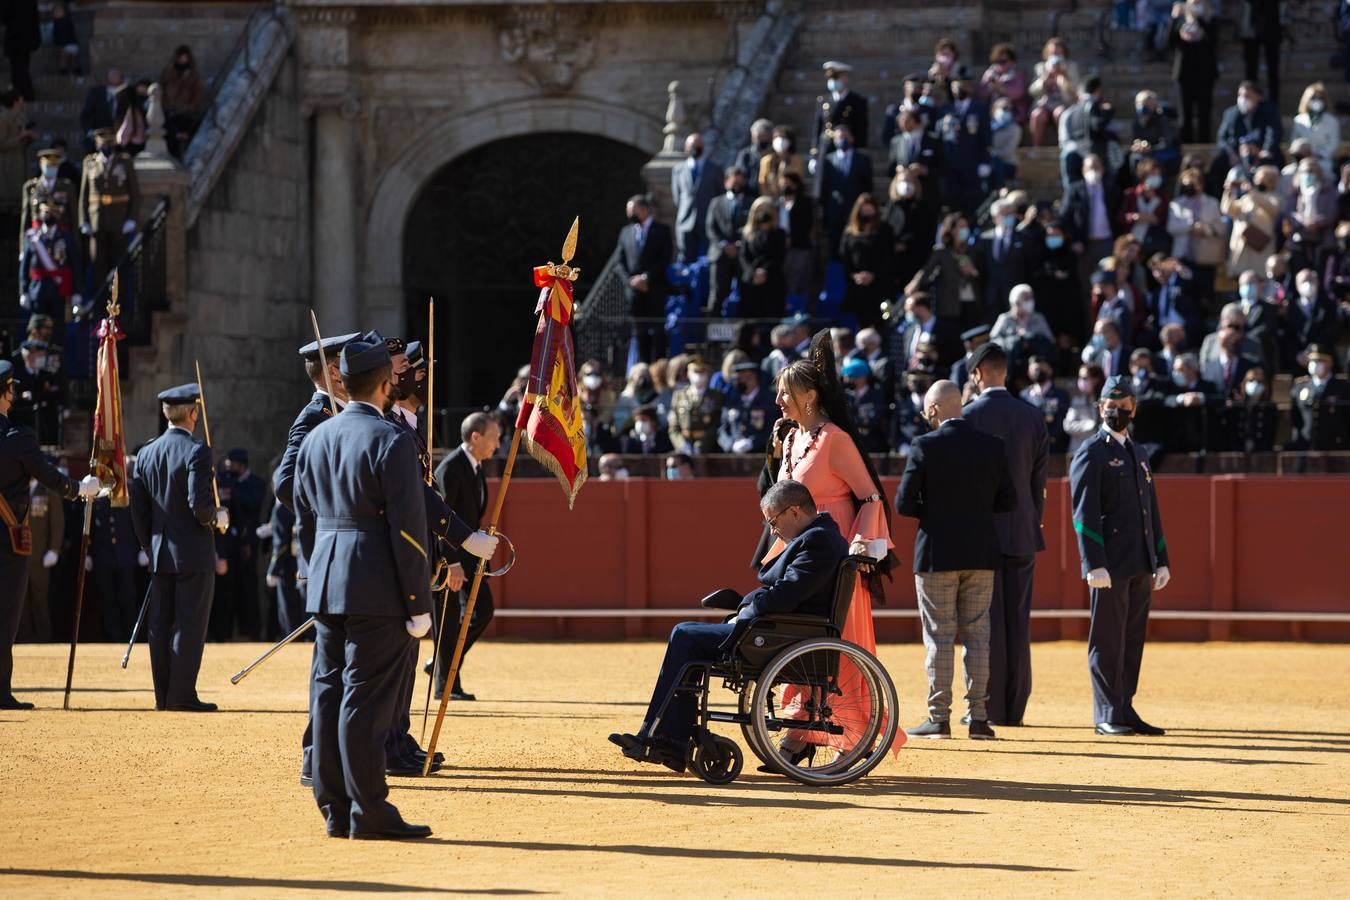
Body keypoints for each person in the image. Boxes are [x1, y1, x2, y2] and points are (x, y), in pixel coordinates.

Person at [292, 337, 436, 840]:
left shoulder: (317, 437)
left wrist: (313, 572)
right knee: (366, 699)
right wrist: (418, 603)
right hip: (376, 584)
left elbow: (303, 515)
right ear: (384, 383)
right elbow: (408, 531)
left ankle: (334, 805)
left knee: (328, 692)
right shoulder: (390, 440)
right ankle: (368, 808)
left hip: (327, 580)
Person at [609, 479, 848, 770]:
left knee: (685, 635)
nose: (772, 529)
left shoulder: (818, 539)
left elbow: (788, 594)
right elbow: (788, 591)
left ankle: (667, 740)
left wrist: (745, 609)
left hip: (783, 634)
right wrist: (744, 604)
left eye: (773, 520)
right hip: (779, 629)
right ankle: (668, 739)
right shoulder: (818, 536)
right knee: (687, 636)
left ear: (794, 512)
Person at [760, 331, 896, 757]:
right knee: (800, 640)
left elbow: (870, 495)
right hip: (798, 553)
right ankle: (802, 731)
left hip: (834, 551)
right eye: (779, 392)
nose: (779, 399)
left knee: (841, 638)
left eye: (787, 392)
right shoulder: (794, 438)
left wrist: (860, 544)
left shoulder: (835, 439)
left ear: (812, 395)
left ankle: (849, 735)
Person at [898, 379, 1016, 740]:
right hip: (981, 552)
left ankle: (939, 718)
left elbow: (904, 503)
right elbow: (1008, 501)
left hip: (937, 554)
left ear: (933, 409)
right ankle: (979, 718)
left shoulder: (925, 445)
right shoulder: (992, 446)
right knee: (979, 636)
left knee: (939, 637)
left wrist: (935, 510)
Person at [1070, 375, 1170, 736]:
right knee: (1108, 639)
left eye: (1123, 408)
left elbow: (1150, 511)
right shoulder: (1091, 452)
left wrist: (1161, 559)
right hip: (1109, 563)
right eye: (1110, 408)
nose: (1117, 413)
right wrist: (1092, 562)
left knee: (1131, 640)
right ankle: (1106, 713)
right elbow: (1084, 514)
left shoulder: (1139, 453)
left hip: (1140, 561)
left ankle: (1125, 707)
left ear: (1134, 409)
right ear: (1099, 409)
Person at [962, 342, 1049, 727]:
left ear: (977, 374)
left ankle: (990, 707)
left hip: (984, 534)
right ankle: (1015, 708)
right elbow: (1037, 482)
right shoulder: (1032, 416)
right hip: (1024, 531)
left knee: (986, 623)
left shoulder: (968, 416)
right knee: (1018, 620)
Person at [2, 363, 98, 708]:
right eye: (10, 390)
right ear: (5, 394)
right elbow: (48, 477)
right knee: (7, 615)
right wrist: (79, 489)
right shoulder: (17, 438)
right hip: (7, 540)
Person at [129, 384, 227, 712]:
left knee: (160, 625)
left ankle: (163, 695)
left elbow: (139, 512)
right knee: (189, 623)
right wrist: (218, 518)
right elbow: (200, 508)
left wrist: (150, 544)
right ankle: (182, 695)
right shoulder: (198, 450)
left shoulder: (145, 453)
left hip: (159, 552)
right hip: (193, 552)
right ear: (193, 414)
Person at [430, 411, 502, 701]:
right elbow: (441, 519)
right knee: (448, 619)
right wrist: (452, 562)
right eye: (494, 438)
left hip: (471, 557)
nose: (497, 444)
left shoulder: (474, 466)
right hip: (452, 559)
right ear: (476, 437)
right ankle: (445, 680)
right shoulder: (451, 468)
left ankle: (444, 665)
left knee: (481, 610)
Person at [79, 128, 140, 293]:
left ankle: (118, 302)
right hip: (96, 219)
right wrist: (83, 220)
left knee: (118, 263)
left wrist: (132, 218)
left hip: (118, 220)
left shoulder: (125, 162)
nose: (105, 145)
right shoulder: (89, 162)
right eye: (102, 142)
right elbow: (84, 194)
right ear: (97, 144)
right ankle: (99, 304)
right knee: (97, 263)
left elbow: (134, 193)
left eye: (109, 142)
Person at [616, 194, 672, 362]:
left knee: (658, 333)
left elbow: (665, 259)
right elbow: (620, 262)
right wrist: (631, 281)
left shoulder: (662, 231)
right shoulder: (626, 232)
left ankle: (659, 369)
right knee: (639, 334)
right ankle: (643, 368)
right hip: (634, 293)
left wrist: (646, 278)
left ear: (645, 209)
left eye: (633, 211)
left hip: (654, 289)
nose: (630, 215)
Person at [935, 66, 990, 217]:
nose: (961, 89)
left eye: (964, 85)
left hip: (971, 162)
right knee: (953, 201)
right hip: (950, 163)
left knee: (972, 201)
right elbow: (938, 134)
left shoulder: (979, 108)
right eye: (957, 85)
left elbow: (985, 136)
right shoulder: (946, 109)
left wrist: (984, 161)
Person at [974, 198, 1038, 324]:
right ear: (995, 217)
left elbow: (1031, 267)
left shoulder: (1024, 238)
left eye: (1011, 213)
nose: (1009, 217)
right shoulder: (984, 239)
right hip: (992, 297)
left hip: (1017, 299)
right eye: (1005, 213)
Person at [816, 123, 873, 260]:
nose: (842, 140)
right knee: (834, 248)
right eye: (839, 137)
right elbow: (824, 186)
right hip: (835, 211)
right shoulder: (828, 160)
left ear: (852, 138)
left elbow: (868, 186)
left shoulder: (863, 159)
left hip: (855, 209)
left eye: (845, 136)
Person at [838, 194, 893, 332]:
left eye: (870, 210)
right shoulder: (850, 232)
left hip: (879, 286)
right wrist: (854, 276)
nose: (867, 214)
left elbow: (888, 257)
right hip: (857, 286)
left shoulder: (884, 230)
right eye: (864, 210)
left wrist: (873, 275)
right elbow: (845, 257)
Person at [19, 476, 63, 641]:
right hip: (18, 557)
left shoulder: (47, 489)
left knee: (40, 602)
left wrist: (54, 549)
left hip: (40, 556)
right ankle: (24, 639)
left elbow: (57, 522)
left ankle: (43, 639)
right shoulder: (16, 488)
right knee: (21, 604)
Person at [1169, 0, 1218, 145]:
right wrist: (1174, 19)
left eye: (1200, 2)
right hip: (1184, 74)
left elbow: (1213, 41)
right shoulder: (1180, 21)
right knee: (1185, 115)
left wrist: (1201, 19)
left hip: (1205, 74)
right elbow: (1170, 43)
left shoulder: (1210, 20)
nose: (1197, 6)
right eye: (1194, 2)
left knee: (1204, 114)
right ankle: (1186, 144)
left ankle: (1204, 144)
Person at [706, 166, 752, 314]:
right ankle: (713, 332)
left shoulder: (751, 203)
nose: (737, 185)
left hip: (742, 256)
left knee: (746, 294)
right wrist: (724, 245)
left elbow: (752, 228)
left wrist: (739, 245)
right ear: (726, 182)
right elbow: (710, 228)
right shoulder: (716, 203)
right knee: (717, 293)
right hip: (720, 255)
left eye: (740, 182)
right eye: (734, 182)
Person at [1288, 345, 1350, 450]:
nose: (1315, 364)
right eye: (1312, 360)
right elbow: (1295, 418)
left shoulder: (1342, 388)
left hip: (1334, 445)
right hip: (1306, 445)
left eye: (1320, 361)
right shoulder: (1300, 386)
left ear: (1330, 363)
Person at [671, 133, 720, 263]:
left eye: (697, 145)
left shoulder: (715, 169)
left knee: (707, 261)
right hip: (685, 222)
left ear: (703, 147)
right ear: (686, 148)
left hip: (707, 222)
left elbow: (719, 195)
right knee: (685, 261)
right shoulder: (678, 169)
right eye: (691, 146)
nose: (694, 148)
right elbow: (677, 197)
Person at [737, 196, 786, 321]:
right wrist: (753, 273)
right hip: (751, 283)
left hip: (772, 282)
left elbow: (779, 256)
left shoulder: (779, 234)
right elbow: (744, 257)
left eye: (767, 209)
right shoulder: (746, 234)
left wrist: (765, 272)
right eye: (760, 209)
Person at [718, 362, 776, 454]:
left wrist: (753, 443)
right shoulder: (731, 401)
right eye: (738, 378)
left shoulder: (769, 400)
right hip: (733, 457)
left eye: (747, 378)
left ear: (755, 379)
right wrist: (730, 445)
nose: (741, 381)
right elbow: (722, 430)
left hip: (760, 454)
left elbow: (773, 429)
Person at [812, 60, 869, 152]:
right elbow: (818, 128)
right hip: (826, 149)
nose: (832, 81)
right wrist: (814, 152)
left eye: (836, 78)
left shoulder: (857, 101)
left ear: (845, 77)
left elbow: (861, 130)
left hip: (847, 149)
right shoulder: (823, 100)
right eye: (830, 78)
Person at [160, 45, 205, 157]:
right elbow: (162, 89)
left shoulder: (193, 75)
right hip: (170, 111)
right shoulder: (168, 73)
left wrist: (191, 106)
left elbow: (198, 92)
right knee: (171, 137)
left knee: (185, 137)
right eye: (181, 57)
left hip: (186, 112)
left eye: (185, 58)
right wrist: (165, 105)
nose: (183, 60)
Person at [1028, 47, 1077, 147]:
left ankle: (1064, 146)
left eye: (1059, 53)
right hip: (1044, 104)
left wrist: (1064, 77)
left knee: (1060, 113)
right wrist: (1044, 80)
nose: (1056, 57)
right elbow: (1032, 92)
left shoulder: (1071, 67)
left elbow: (1075, 93)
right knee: (1037, 115)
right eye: (1053, 53)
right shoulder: (1040, 68)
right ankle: (1035, 148)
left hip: (1063, 104)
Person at [1021, 356, 1070, 453]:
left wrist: (1049, 438)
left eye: (1042, 369)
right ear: (1029, 373)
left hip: (1054, 447)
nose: (1039, 372)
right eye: (1035, 369)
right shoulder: (1024, 395)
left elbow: (1062, 420)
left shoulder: (1060, 395)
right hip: (1031, 448)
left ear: (1050, 370)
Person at [1238, 0, 1282, 104]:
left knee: (1273, 70)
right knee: (1251, 71)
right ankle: (1250, 102)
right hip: (1251, 24)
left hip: (1271, 21)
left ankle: (1273, 105)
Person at [1292, 83, 1338, 178]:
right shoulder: (1298, 120)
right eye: (1313, 98)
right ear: (1307, 100)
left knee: (1326, 174)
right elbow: (1294, 143)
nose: (1317, 101)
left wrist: (1318, 155)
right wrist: (1304, 155)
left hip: (1323, 160)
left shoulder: (1332, 120)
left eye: (1320, 98)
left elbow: (1334, 143)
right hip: (1302, 160)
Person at [1130, 90, 1180, 178]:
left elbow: (1168, 142)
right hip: (1145, 153)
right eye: (1139, 103)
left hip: (1162, 152)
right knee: (1134, 158)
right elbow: (1135, 140)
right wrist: (1137, 146)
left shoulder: (1163, 119)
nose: (1142, 106)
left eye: (1146, 104)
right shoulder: (1136, 122)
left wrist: (1151, 148)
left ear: (1154, 105)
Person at [1, 0, 40, 101]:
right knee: (23, 68)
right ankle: (24, 95)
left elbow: (4, 15)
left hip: (15, 37)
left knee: (17, 70)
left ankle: (21, 96)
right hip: (27, 37)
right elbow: (35, 17)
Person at [758, 125, 804, 199]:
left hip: (791, 199)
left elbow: (798, 181)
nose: (779, 140)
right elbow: (763, 184)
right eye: (776, 137)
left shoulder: (797, 160)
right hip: (771, 199)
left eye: (783, 137)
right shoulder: (766, 161)